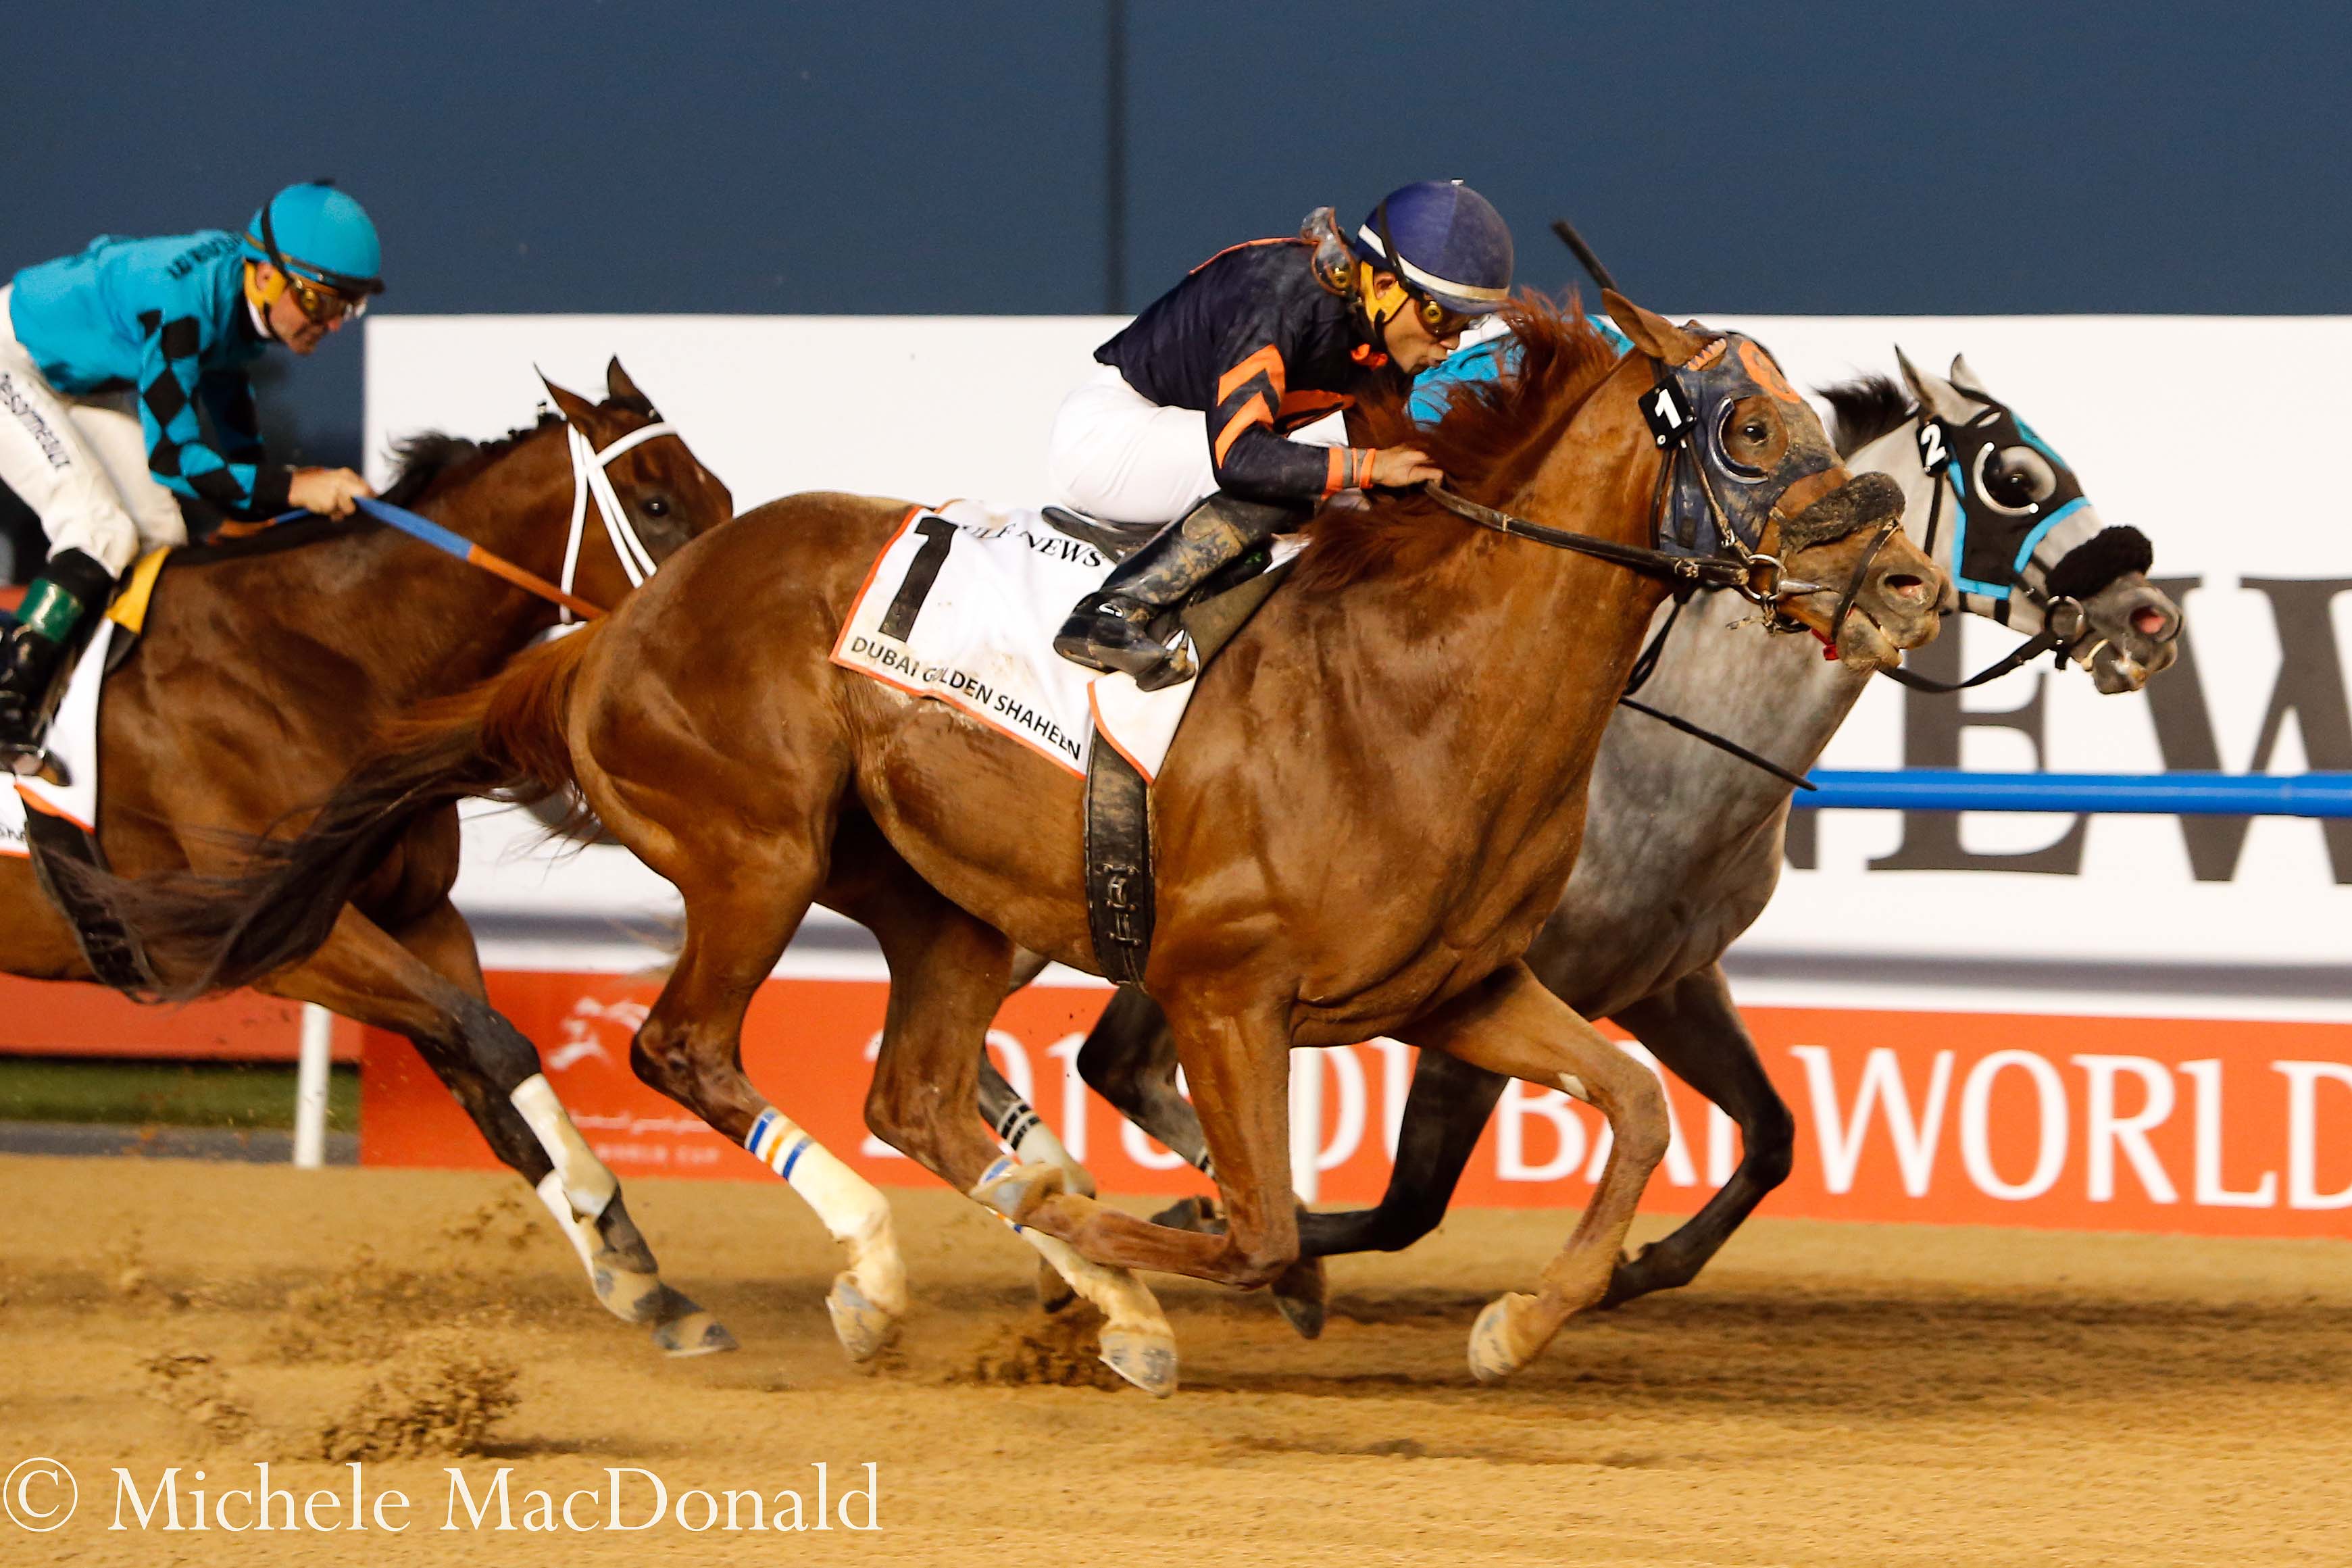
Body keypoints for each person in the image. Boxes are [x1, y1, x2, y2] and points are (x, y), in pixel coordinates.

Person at [1051, 179, 1515, 688]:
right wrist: (1369, 467)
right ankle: (1108, 613)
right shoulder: (1282, 291)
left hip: (1185, 442)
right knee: (1307, 475)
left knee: (1350, 502)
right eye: (1439, 317)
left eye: (1465, 325)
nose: (1450, 342)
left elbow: (1380, 481)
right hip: (1108, 437)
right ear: (1384, 288)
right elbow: (1241, 458)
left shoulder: (1379, 343)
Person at [0, 181, 383, 769]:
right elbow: (175, 460)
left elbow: (243, 470)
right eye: (323, 301)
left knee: (160, 537)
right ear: (265, 276)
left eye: (348, 307)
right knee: (100, 529)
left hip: (74, 379)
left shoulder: (241, 316)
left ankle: (94, 708)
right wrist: (297, 487)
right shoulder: (183, 306)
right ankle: (9, 703)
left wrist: (307, 497)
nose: (332, 325)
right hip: (14, 363)